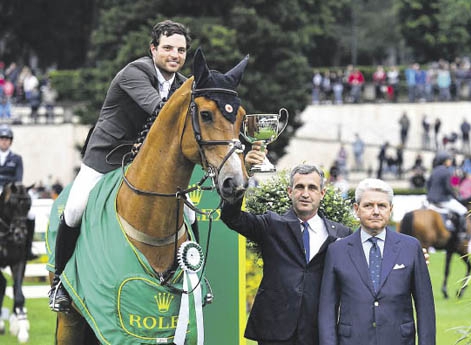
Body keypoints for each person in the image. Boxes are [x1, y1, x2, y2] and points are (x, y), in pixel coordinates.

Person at [48, 19, 192, 312]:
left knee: (190, 211)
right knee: (75, 208)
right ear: (153, 49)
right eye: (167, 48)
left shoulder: (182, 85)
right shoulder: (135, 72)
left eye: (181, 50)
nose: (175, 55)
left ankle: (191, 277)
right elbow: (162, 113)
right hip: (108, 155)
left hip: (147, 163)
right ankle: (60, 284)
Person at [221, 162, 352, 345]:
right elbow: (232, 217)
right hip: (274, 331)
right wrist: (243, 173)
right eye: (299, 187)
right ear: (290, 192)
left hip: (318, 333)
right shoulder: (271, 224)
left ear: (322, 193)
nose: (305, 193)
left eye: (312, 188)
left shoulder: (341, 234)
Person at [318, 178, 436, 345]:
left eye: (382, 206)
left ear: (390, 210)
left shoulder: (411, 247)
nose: (375, 211)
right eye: (368, 205)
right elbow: (327, 311)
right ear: (356, 209)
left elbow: (425, 308)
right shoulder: (337, 251)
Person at [0, 124, 38, 260]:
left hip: (11, 190)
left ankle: (28, 248)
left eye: (7, 139)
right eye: (2, 138)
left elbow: (18, 178)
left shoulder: (16, 158)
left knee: (31, 214)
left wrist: (10, 188)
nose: (4, 141)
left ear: (10, 141)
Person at [426, 151, 468, 234]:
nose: (450, 161)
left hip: (430, 200)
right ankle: (461, 233)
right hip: (442, 199)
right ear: (444, 161)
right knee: (463, 210)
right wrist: (455, 196)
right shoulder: (446, 171)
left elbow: (427, 185)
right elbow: (448, 188)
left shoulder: (434, 170)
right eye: (449, 160)